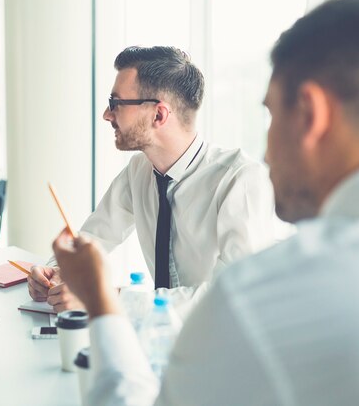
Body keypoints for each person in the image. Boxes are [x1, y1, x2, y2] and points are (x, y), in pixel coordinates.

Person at [52, 0, 359, 405]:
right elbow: (92, 241)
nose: (267, 154)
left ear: (309, 115)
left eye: (270, 114)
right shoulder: (138, 173)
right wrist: (62, 273)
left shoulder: (250, 293)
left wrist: (106, 300)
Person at [30, 46, 281, 312]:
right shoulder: (139, 170)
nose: (106, 114)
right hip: (158, 337)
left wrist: (106, 298)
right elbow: (95, 236)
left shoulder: (239, 179)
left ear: (159, 115)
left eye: (115, 103)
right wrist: (56, 272)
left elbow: (231, 297)